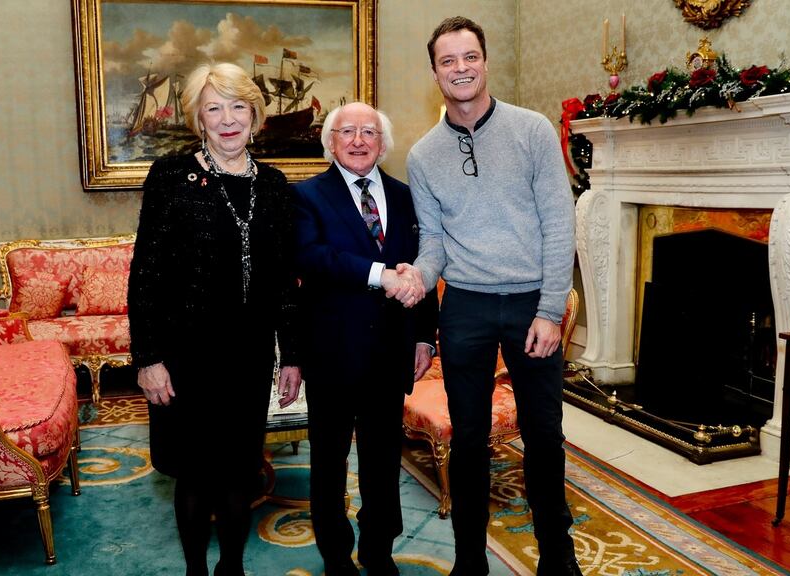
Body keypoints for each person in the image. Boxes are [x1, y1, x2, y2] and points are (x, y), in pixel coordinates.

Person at [405, 16, 581, 576]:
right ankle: (468, 561)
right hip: (467, 308)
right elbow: (432, 243)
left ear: (485, 61)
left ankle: (558, 556)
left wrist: (551, 310)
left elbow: (560, 224)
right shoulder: (422, 155)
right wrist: (415, 273)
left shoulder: (531, 131)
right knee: (470, 439)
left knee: (544, 437)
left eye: (469, 57)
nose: (461, 68)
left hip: (533, 302)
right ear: (435, 72)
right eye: (448, 61)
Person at [127, 62, 301, 576]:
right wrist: (147, 358)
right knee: (195, 473)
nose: (228, 119)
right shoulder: (171, 176)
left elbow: (284, 281)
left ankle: (231, 566)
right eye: (214, 108)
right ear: (199, 120)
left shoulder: (273, 185)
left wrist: (291, 354)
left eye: (238, 106)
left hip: (247, 356)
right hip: (184, 357)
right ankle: (196, 570)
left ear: (255, 115)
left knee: (240, 471)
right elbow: (145, 277)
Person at [288, 102, 438, 576]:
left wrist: (424, 337)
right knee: (329, 463)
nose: (358, 140)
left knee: (382, 462)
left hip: (390, 353)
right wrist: (379, 275)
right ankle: (335, 554)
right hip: (331, 353)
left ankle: (379, 549)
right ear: (330, 142)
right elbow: (311, 257)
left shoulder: (406, 195)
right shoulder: (306, 196)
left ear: (383, 143)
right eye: (347, 131)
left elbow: (425, 265)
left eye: (368, 132)